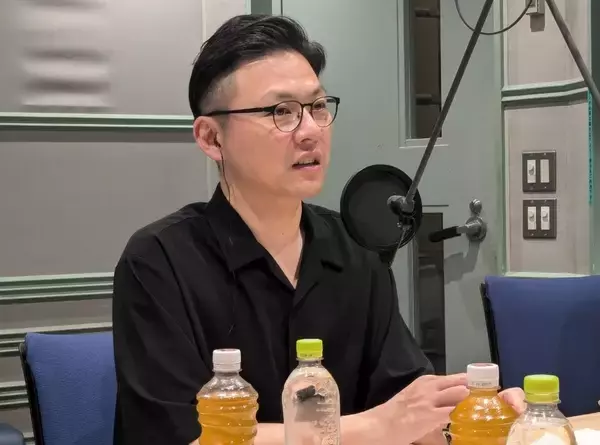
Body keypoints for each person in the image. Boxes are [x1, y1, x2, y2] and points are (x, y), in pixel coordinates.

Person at [112, 13, 525, 445]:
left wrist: (477, 417)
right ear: (212, 138)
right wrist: (376, 427)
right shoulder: (159, 262)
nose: (311, 131)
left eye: (318, 107)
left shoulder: (353, 248)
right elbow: (182, 438)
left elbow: (404, 404)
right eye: (281, 112)